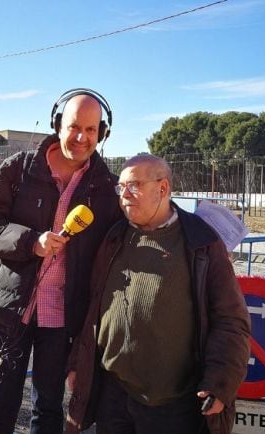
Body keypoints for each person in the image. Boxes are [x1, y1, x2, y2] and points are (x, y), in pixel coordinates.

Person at [0, 89, 123, 434]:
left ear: (103, 133)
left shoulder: (105, 187)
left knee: (49, 411)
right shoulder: (19, 169)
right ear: (57, 124)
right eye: (74, 127)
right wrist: (30, 242)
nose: (82, 137)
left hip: (63, 316)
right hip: (11, 309)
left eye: (91, 129)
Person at [66, 154, 251, 434]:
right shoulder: (114, 236)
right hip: (113, 394)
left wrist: (221, 381)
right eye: (121, 187)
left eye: (135, 185)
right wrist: (77, 363)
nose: (124, 195)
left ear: (162, 189)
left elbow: (230, 319)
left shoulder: (201, 243)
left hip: (172, 404)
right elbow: (93, 307)